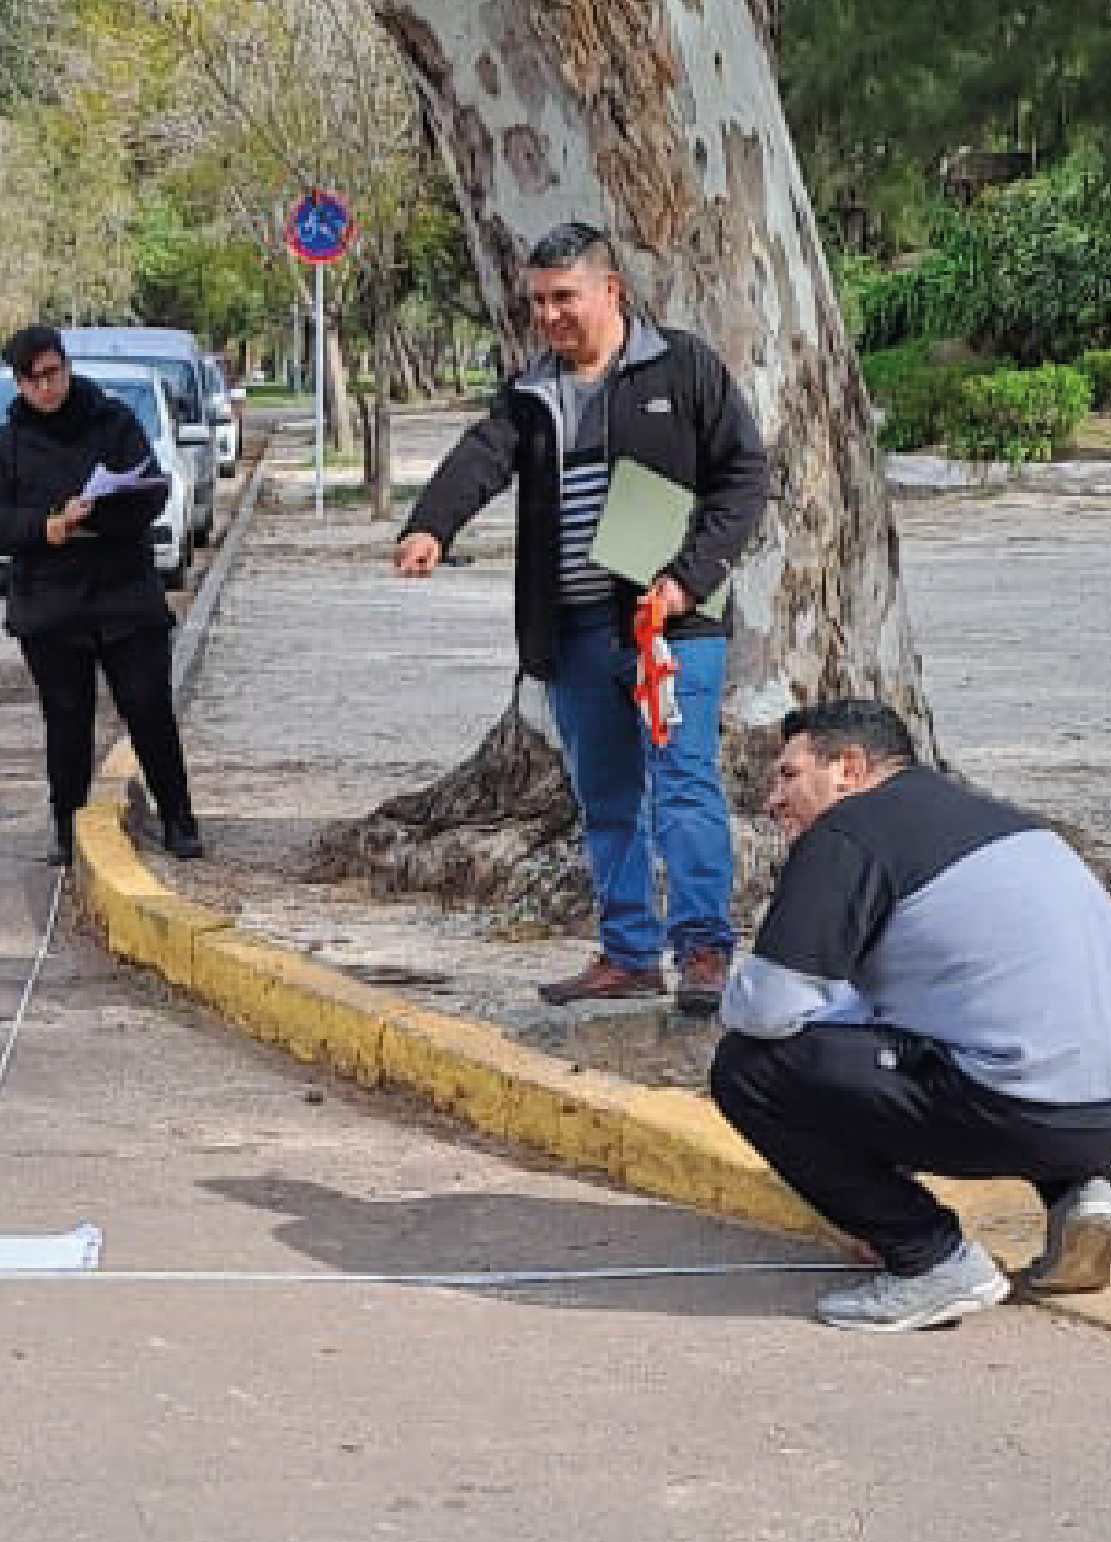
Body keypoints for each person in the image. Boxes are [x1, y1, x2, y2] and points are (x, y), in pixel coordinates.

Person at [393, 221, 767, 1014]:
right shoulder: (531, 395)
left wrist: (686, 582)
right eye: (538, 302)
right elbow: (480, 457)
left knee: (684, 787)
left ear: (611, 292)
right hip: (574, 634)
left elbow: (743, 478)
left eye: (565, 298)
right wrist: (430, 525)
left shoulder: (684, 367)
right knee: (603, 795)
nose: (550, 315)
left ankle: (703, 950)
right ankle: (629, 951)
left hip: (672, 630)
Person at [711, 699, 1111, 1332]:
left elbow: (769, 1010)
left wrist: (733, 994)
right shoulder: (1008, 821)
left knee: (748, 1070)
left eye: (788, 775)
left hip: (1017, 1110)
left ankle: (931, 1260)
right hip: (1096, 1118)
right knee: (1005, 1032)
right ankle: (1083, 1193)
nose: (772, 801)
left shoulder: (847, 834)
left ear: (848, 768)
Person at [0, 323, 203, 866]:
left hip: (124, 594)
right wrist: (49, 526)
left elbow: (151, 490)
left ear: (66, 367)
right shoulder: (7, 442)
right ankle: (66, 824)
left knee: (147, 708)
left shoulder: (114, 421)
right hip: (51, 606)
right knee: (67, 717)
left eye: (53, 372)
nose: (46, 386)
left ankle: (178, 817)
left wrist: (97, 511)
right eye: (33, 379)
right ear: (19, 383)